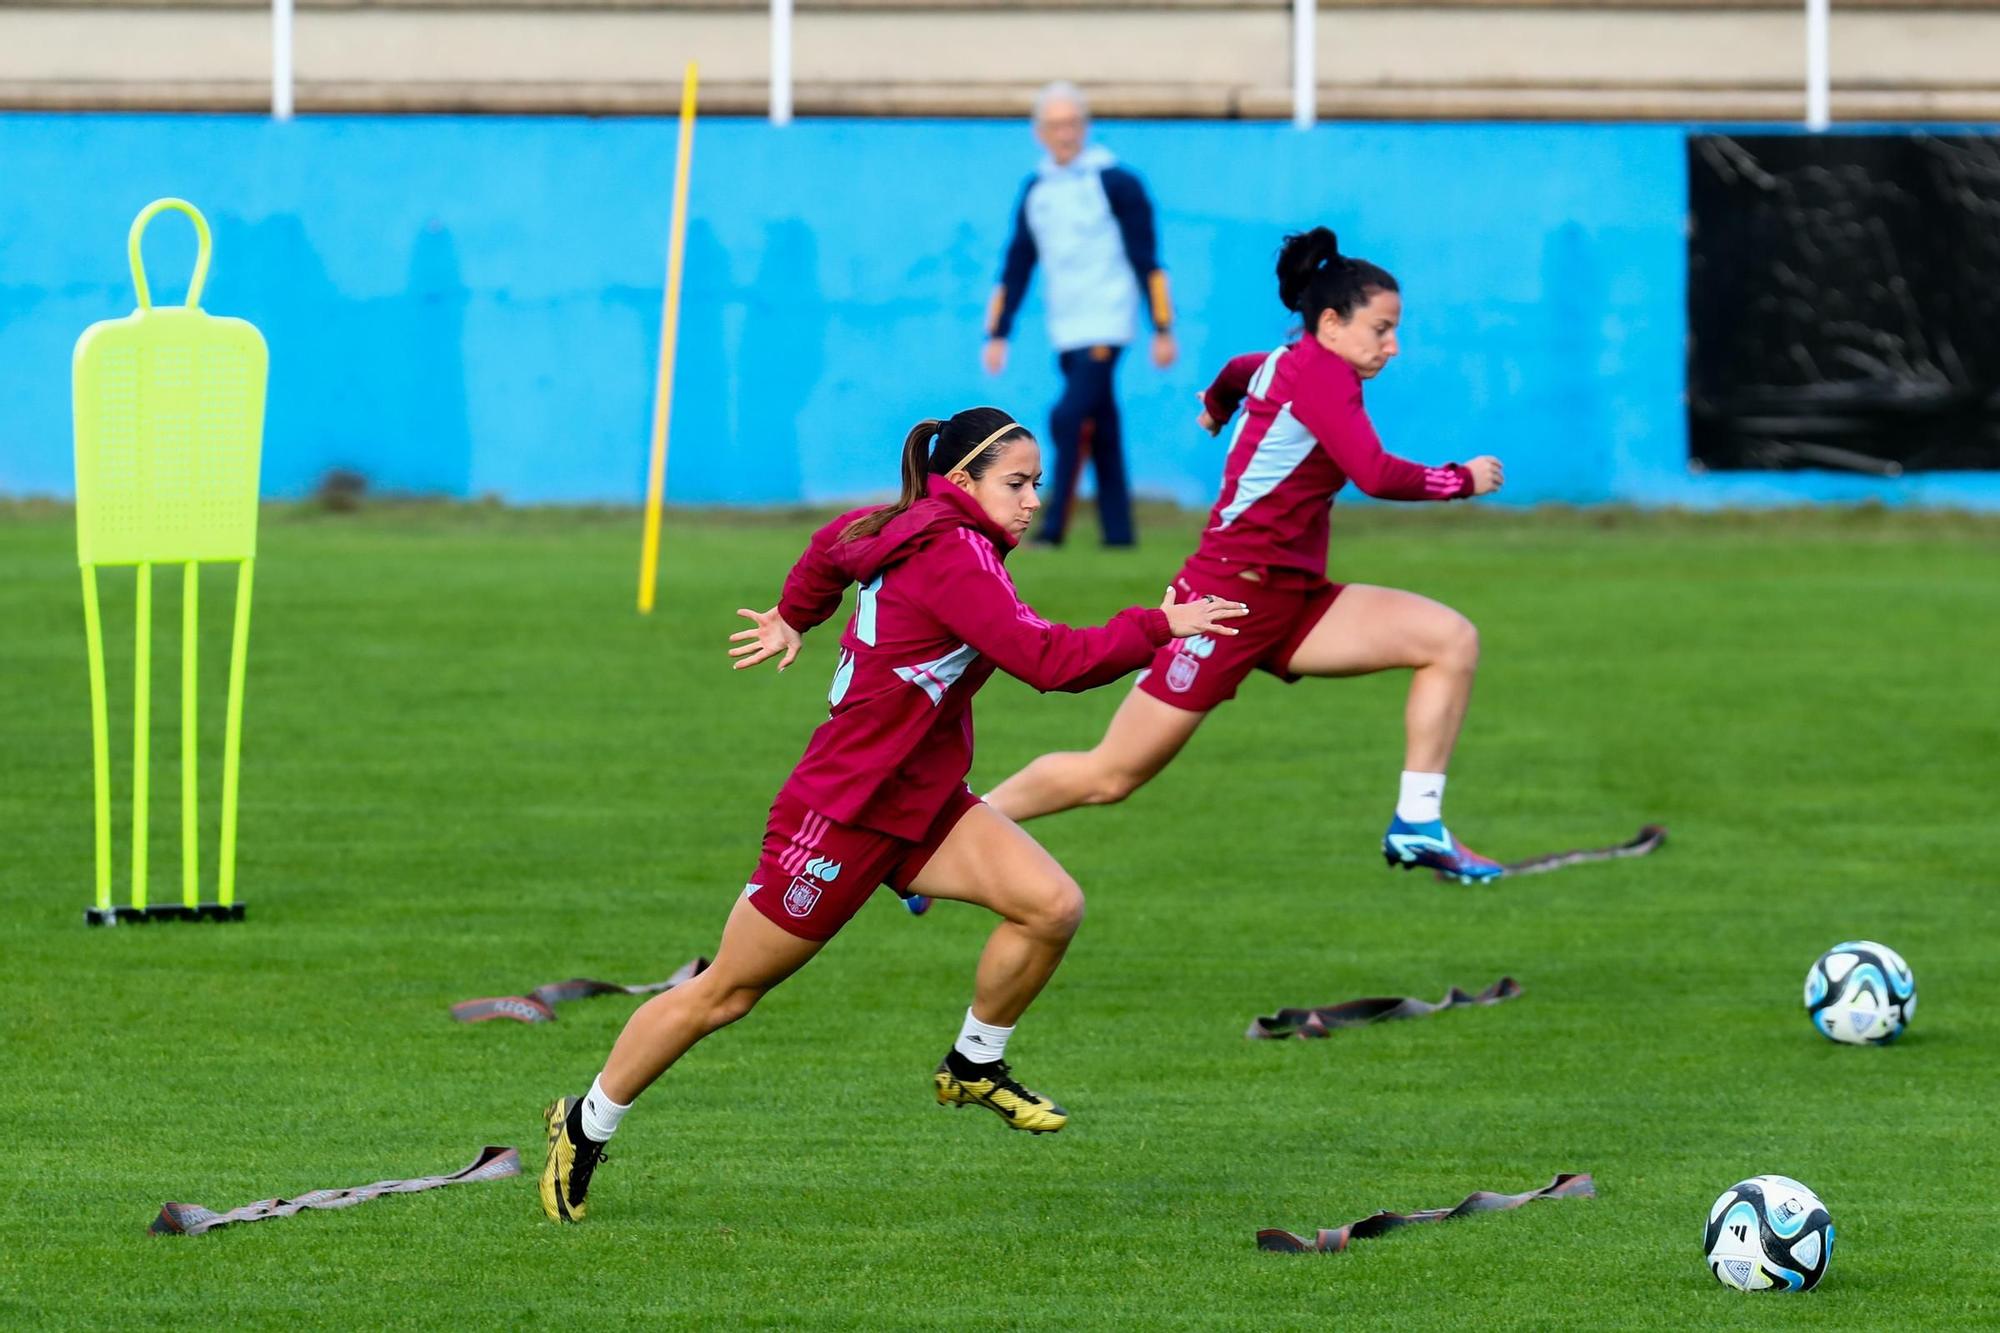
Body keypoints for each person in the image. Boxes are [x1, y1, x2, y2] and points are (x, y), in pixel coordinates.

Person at [538, 407, 1247, 1223]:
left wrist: (794, 616)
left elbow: (831, 547)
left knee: (1051, 906)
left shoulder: (915, 526)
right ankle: (585, 1122)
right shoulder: (953, 553)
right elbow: (1049, 663)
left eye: (1037, 485)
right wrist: (1161, 625)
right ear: (961, 482)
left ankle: (974, 1063)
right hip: (841, 810)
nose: (1032, 501)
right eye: (1016, 483)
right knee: (726, 993)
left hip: (922, 799)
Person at [979, 228, 1509, 884]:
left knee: (1449, 640)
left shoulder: (1286, 361)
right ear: (1332, 323)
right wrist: (1461, 478)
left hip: (1291, 598)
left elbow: (1238, 371)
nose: (1392, 345)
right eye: (1382, 328)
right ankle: (961, 827)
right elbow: (1372, 473)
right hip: (1223, 602)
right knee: (1110, 773)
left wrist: (1216, 405)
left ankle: (1418, 823)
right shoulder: (1321, 374)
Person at [982, 81, 1175, 549]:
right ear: (1039, 132)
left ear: (1084, 127)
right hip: (1065, 328)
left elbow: (1147, 257)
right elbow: (1018, 263)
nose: (1064, 135)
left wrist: (1162, 326)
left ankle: (1051, 529)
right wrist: (998, 332)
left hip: (1108, 322)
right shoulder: (1037, 188)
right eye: (1054, 126)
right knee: (1102, 428)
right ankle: (1119, 534)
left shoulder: (1116, 181)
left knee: (1068, 417)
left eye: (1071, 124)